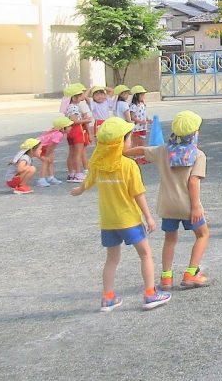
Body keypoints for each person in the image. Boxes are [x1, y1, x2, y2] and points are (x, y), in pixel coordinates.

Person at [70, 117, 170, 312]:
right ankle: (150, 294)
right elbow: (138, 194)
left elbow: (87, 183)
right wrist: (148, 217)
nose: (130, 140)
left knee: (112, 259)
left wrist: (79, 190)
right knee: (145, 254)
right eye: (128, 137)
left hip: (108, 222)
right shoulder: (128, 165)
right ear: (121, 142)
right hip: (129, 220)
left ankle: (108, 297)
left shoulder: (98, 164)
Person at [127, 110, 209, 290]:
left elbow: (141, 150)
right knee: (203, 234)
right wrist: (196, 206)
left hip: (167, 205)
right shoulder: (198, 154)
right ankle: (191, 272)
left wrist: (123, 152)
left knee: (170, 239)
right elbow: (194, 182)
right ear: (194, 133)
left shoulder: (163, 151)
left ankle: (166, 277)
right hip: (188, 205)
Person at [64, 83, 92, 183]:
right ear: (75, 97)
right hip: (77, 130)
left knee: (72, 153)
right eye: (80, 95)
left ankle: (71, 173)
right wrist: (86, 120)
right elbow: (75, 120)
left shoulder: (68, 106)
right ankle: (78, 173)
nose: (81, 97)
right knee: (78, 153)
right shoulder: (74, 107)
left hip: (71, 131)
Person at [37, 117, 69, 187]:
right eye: (69, 126)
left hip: (44, 147)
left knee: (50, 160)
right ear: (63, 128)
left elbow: (50, 145)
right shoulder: (59, 134)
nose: (71, 128)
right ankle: (41, 179)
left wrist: (49, 154)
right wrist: (47, 155)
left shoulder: (57, 132)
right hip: (38, 147)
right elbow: (51, 145)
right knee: (46, 161)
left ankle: (51, 177)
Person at [128, 86, 150, 162]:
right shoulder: (133, 105)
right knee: (135, 142)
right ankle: (135, 157)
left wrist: (147, 119)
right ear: (136, 95)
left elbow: (144, 114)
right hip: (136, 127)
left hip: (143, 127)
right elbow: (132, 117)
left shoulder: (142, 104)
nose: (143, 96)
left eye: (144, 94)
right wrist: (140, 121)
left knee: (142, 142)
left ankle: (142, 156)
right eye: (141, 95)